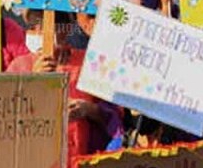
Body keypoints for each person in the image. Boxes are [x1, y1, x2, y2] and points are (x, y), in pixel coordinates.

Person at [7, 11, 123, 164]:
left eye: (47, 26)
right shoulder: (19, 66)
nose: (40, 33)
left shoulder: (90, 63)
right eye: (34, 27)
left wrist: (88, 109)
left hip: (81, 158)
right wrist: (32, 82)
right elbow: (6, 117)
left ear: (67, 28)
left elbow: (115, 118)